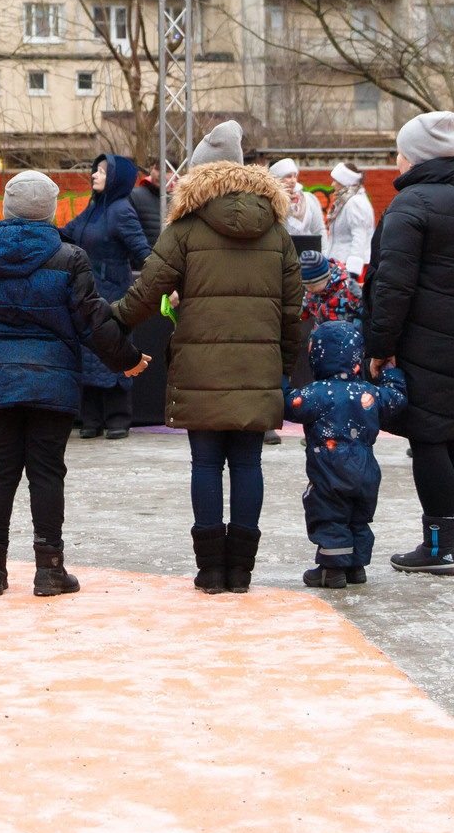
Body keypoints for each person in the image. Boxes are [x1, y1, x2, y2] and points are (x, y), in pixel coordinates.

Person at [0, 170, 144, 598]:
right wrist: (127, 360)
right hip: (52, 384)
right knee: (47, 473)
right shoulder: (69, 257)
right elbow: (92, 323)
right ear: (49, 209)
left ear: (7, 208)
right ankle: (49, 570)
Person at [109, 119, 305, 595]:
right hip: (258, 368)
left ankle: (210, 572)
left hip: (200, 365)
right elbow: (293, 312)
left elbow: (144, 295)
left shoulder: (185, 230)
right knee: (248, 465)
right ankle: (242, 573)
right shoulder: (277, 233)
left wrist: (105, 320)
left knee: (204, 465)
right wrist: (280, 369)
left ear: (198, 176)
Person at [363, 110, 454, 577]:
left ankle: (438, 547)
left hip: (424, 338)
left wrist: (380, 344)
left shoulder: (411, 204)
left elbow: (392, 284)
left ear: (413, 155)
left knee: (428, 438)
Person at [285, 320, 404, 589]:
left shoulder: (316, 394)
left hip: (328, 471)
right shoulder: (369, 392)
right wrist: (389, 370)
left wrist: (282, 379)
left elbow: (289, 404)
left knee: (330, 514)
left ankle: (332, 569)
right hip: (365, 471)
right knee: (358, 518)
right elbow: (396, 397)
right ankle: (356, 567)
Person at [62, 154, 154, 439]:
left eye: (102, 171)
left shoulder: (121, 210)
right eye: (95, 170)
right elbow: (66, 234)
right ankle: (90, 419)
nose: (94, 175)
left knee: (114, 350)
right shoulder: (93, 208)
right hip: (88, 294)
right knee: (89, 353)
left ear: (117, 178)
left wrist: (167, 283)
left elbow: (143, 252)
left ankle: (117, 418)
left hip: (115, 295)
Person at [326, 163, 374, 275]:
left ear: (344, 182)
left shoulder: (354, 202)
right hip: (341, 264)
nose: (332, 184)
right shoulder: (345, 201)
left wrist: (353, 271)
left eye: (335, 180)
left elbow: (359, 237)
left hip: (348, 266)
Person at [271, 158, 328, 252]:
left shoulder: (309, 199)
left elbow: (319, 230)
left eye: (295, 176)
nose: (293, 180)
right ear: (278, 179)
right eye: (288, 176)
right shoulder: (271, 202)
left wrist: (323, 255)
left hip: (308, 256)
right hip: (282, 255)